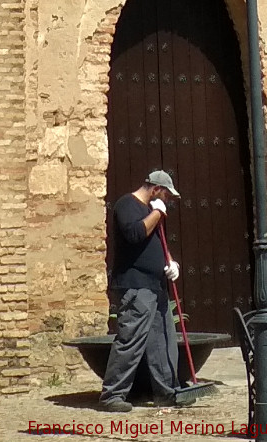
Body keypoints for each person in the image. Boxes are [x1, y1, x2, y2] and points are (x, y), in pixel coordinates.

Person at [99, 170, 186, 412]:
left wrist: (170, 262)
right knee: (130, 340)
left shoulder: (152, 211)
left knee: (163, 340)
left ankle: (167, 391)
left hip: (156, 285)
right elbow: (135, 234)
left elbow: (157, 243)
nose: (167, 201)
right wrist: (158, 212)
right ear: (156, 189)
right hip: (135, 286)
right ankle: (112, 394)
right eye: (167, 195)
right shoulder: (127, 205)